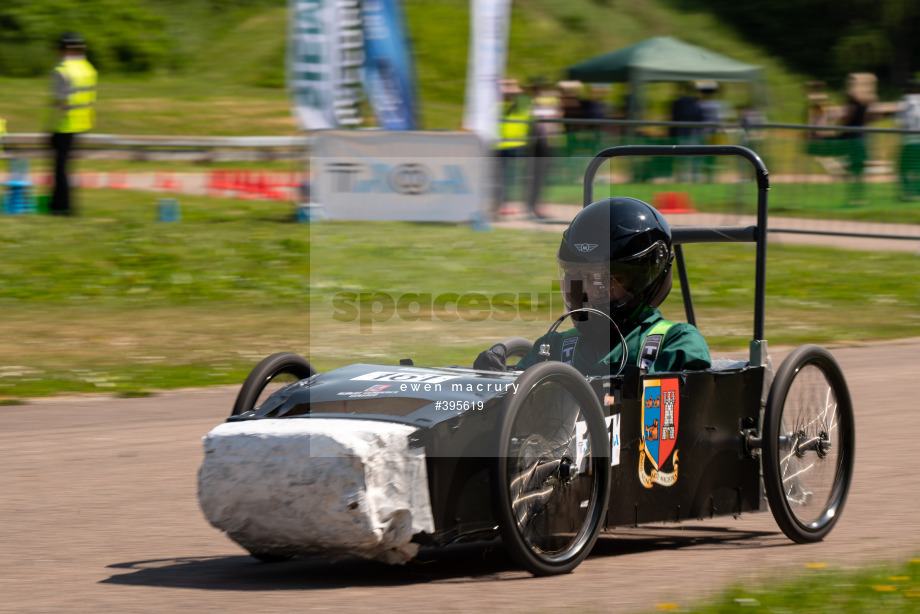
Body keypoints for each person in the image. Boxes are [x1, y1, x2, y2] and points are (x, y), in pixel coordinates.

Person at [475, 197, 711, 375]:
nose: (588, 291)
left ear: (645, 279)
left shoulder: (678, 343)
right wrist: (496, 379)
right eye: (579, 277)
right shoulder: (554, 346)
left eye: (604, 279)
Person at [47, 32, 97, 216]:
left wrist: (49, 126)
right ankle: (59, 204)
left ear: (66, 48)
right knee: (66, 166)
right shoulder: (88, 68)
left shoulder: (62, 70)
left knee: (60, 168)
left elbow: (57, 102)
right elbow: (91, 99)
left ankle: (63, 207)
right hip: (81, 123)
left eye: (59, 48)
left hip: (63, 124)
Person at [897, 78, 920, 199]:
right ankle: (917, 191)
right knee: (918, 168)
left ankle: (909, 192)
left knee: (903, 168)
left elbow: (900, 123)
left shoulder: (904, 102)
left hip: (909, 141)